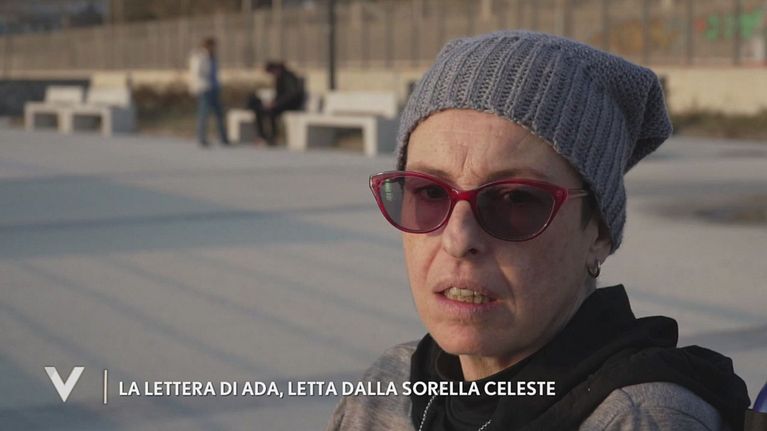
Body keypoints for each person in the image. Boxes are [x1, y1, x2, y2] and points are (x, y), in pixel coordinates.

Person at [326, 31, 750, 430]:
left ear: (599, 232)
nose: (458, 239)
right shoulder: (386, 390)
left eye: (515, 200)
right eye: (430, 193)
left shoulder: (639, 419)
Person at [247, 61, 305, 145]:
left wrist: (276, 103)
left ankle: (273, 137)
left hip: (291, 104)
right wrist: (273, 102)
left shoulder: (288, 77)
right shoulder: (280, 77)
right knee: (259, 110)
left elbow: (291, 95)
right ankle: (262, 136)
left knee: (271, 112)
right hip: (282, 104)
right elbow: (280, 94)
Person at [189, 37, 229, 147]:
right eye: (212, 46)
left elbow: (215, 73)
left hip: (214, 88)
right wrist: (198, 86)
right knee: (204, 114)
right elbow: (197, 72)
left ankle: (223, 137)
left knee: (219, 114)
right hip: (205, 88)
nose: (214, 48)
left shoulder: (213, 57)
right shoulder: (199, 56)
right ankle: (201, 138)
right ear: (207, 45)